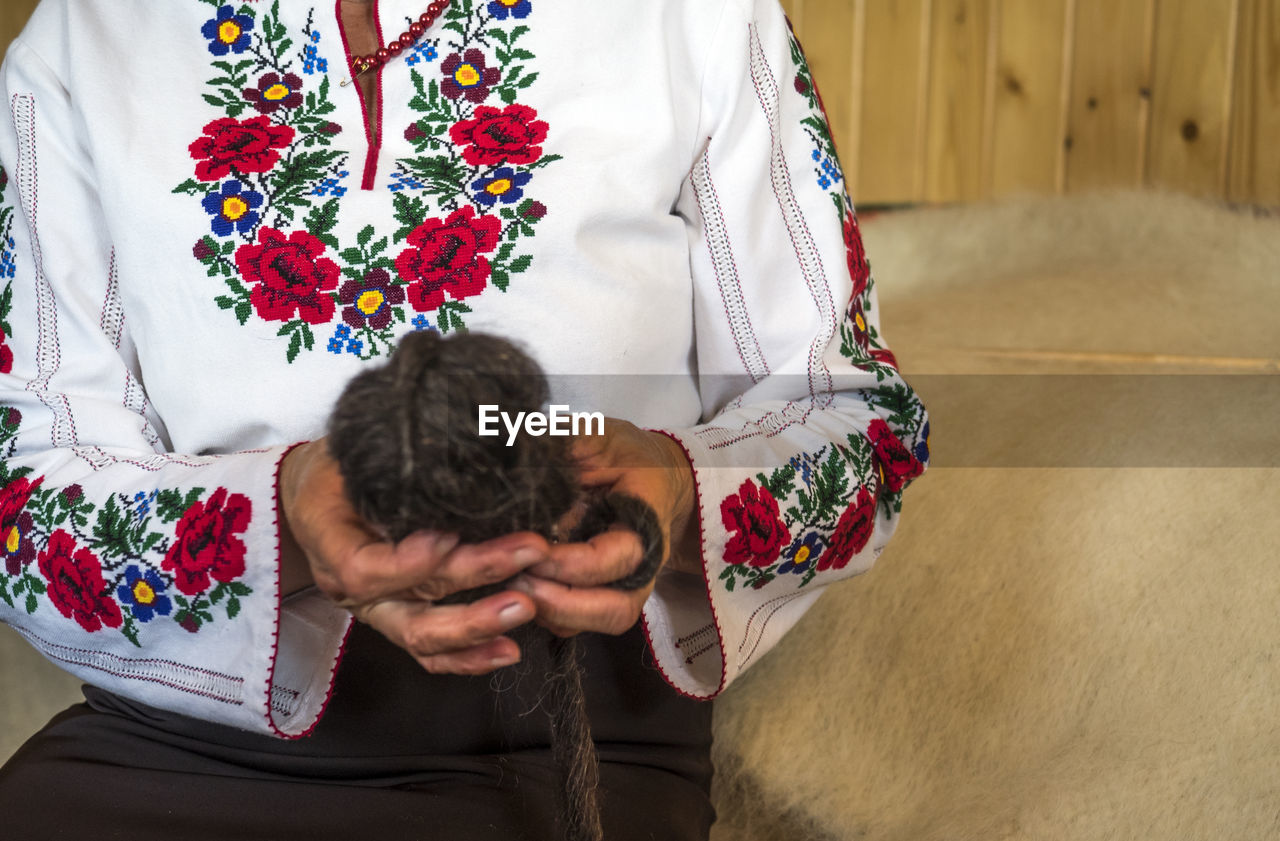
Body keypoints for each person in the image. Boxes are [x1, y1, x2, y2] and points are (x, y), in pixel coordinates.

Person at [0, 0, 929, 838]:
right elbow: (24, 486)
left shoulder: (695, 16)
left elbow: (861, 427)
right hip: (177, 748)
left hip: (560, 751)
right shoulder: (84, 38)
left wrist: (679, 494)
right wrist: (281, 517)